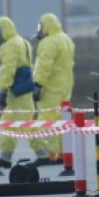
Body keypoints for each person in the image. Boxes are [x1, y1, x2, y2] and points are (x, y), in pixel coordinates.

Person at [0, 16, 49, 168]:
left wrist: (4, 89)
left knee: (8, 124)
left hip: (15, 93)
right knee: (27, 123)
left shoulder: (10, 45)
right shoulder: (23, 42)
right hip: (25, 91)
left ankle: (5, 158)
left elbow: (8, 68)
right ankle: (43, 153)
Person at [31, 12, 75, 163]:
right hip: (65, 86)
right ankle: (62, 153)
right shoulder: (66, 39)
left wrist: (38, 84)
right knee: (61, 118)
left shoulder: (48, 42)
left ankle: (47, 154)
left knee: (46, 118)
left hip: (50, 87)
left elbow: (44, 66)